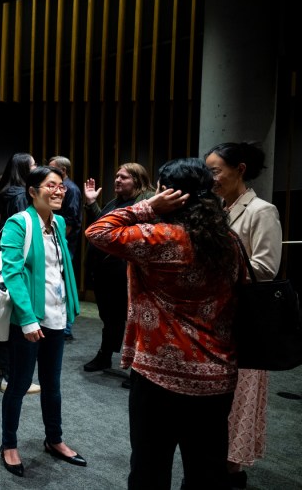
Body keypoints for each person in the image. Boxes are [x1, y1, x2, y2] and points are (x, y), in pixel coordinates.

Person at [86, 157, 243, 490]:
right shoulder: (229, 242)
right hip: (217, 376)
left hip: (159, 375)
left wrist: (147, 207)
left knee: (150, 468)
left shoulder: (160, 237)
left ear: (168, 195)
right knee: (207, 473)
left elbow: (97, 231)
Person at [204, 142, 282, 489]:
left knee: (241, 394)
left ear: (241, 169)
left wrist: (215, 265)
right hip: (216, 318)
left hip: (245, 320)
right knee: (217, 398)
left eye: (216, 171)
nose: (211, 178)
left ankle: (232, 469)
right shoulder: (217, 208)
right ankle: (213, 461)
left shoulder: (262, 211)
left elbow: (265, 268)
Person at [0, 166, 84, 477]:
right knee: (19, 384)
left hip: (56, 315)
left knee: (52, 384)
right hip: (30, 319)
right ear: (33, 191)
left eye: (61, 185)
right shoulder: (19, 223)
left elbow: (60, 269)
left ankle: (54, 439)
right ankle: (9, 444)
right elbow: (12, 272)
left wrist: (70, 305)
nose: (59, 190)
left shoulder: (58, 223)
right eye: (51, 185)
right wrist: (27, 318)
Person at [81, 163, 155, 388]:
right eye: (116, 176)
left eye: (124, 177)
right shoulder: (115, 202)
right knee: (110, 317)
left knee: (136, 321)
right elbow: (101, 227)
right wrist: (92, 204)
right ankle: (105, 355)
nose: (117, 180)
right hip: (106, 273)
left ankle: (139, 369)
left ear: (138, 180)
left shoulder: (146, 202)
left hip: (129, 274)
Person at [0, 152, 40, 395]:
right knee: (11, 318)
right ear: (24, 169)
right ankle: (9, 376)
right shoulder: (21, 196)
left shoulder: (2, 193)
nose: (37, 167)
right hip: (12, 262)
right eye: (34, 165)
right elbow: (25, 232)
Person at [48, 156, 82, 340]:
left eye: (52, 168)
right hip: (58, 240)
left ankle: (66, 329)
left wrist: (58, 240)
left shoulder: (72, 189)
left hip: (64, 242)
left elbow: (70, 220)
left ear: (63, 170)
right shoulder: (60, 186)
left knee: (63, 281)